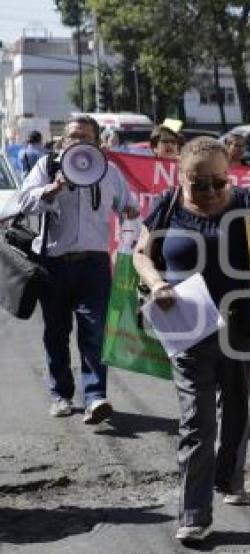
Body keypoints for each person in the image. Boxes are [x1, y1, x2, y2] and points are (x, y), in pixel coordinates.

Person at [133, 136, 250, 543]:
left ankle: (229, 478)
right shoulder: (168, 206)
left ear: (230, 176)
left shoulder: (246, 205)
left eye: (217, 183)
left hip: (241, 326)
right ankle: (194, 513)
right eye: (198, 184)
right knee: (198, 423)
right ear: (181, 176)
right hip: (188, 329)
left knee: (237, 410)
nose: (209, 192)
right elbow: (140, 252)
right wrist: (155, 284)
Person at [16, 115, 139, 423]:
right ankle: (61, 395)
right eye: (72, 136)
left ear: (97, 143)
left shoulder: (108, 171)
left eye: (85, 137)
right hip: (53, 264)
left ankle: (95, 396)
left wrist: (129, 211)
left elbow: (128, 204)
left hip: (94, 266)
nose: (78, 142)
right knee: (56, 333)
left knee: (95, 331)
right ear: (63, 140)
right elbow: (23, 200)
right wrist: (53, 189)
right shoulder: (48, 167)